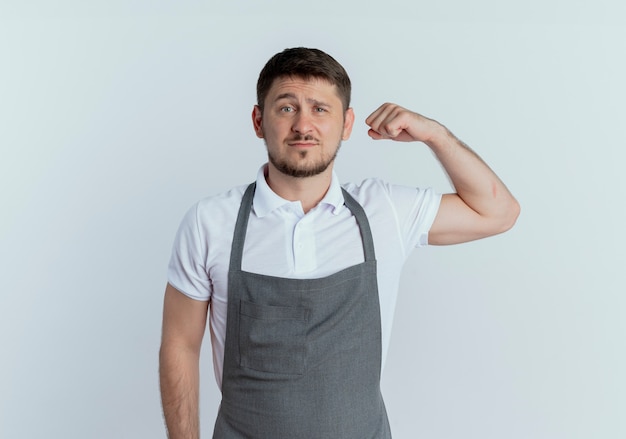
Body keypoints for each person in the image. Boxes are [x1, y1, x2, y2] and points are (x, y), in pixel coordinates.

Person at [159, 47, 520, 439]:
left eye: (320, 109)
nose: (303, 125)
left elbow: (498, 212)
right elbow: (179, 344)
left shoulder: (385, 211)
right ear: (258, 121)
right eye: (286, 108)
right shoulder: (210, 222)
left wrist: (434, 134)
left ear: (347, 124)